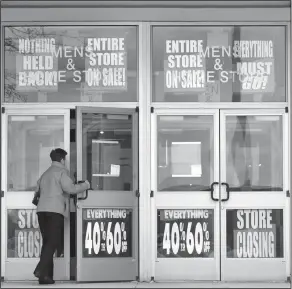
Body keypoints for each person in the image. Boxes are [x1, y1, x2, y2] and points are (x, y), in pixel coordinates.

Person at [33, 148, 90, 285]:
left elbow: (37, 192)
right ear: (62, 159)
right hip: (54, 211)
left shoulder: (45, 174)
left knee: (47, 242)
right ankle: (40, 269)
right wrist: (85, 185)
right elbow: (70, 189)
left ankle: (45, 278)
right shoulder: (62, 172)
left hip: (41, 211)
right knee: (52, 242)